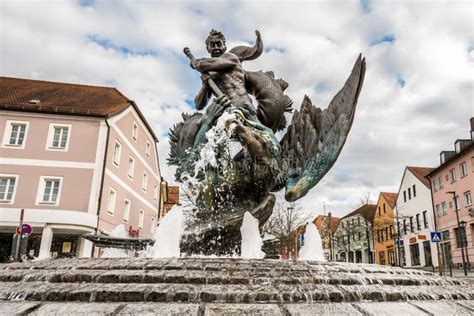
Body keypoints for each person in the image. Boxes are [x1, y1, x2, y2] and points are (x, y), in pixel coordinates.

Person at [191, 30, 253, 113]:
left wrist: (196, 63)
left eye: (219, 44)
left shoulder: (231, 58)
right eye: (212, 45)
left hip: (243, 108)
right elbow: (199, 105)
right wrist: (205, 85)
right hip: (225, 113)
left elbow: (202, 64)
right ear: (208, 49)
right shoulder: (211, 75)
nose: (216, 47)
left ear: (225, 47)